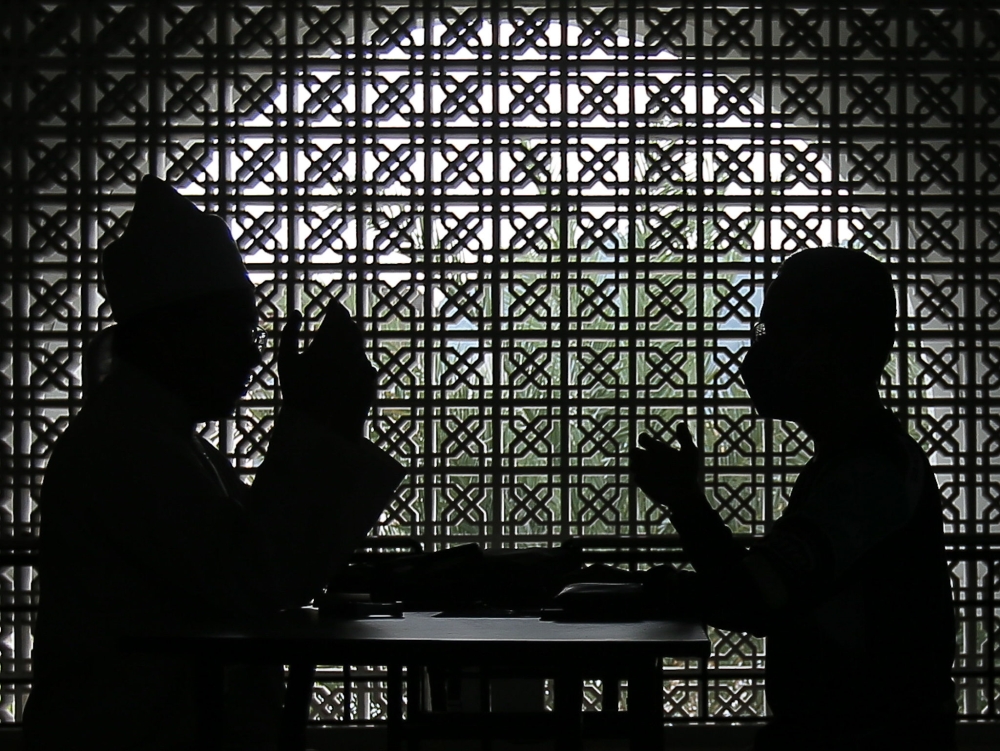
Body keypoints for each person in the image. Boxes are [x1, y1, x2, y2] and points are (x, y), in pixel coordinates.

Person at [24, 175, 404, 750]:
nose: (253, 355)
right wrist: (318, 422)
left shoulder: (158, 440)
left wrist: (323, 425)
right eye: (236, 331)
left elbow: (266, 552)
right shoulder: (129, 451)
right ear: (177, 336)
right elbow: (257, 575)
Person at [631, 248, 957, 750]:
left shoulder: (871, 478)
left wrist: (675, 553)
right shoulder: (859, 464)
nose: (760, 352)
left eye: (779, 331)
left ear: (830, 345)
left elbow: (754, 598)